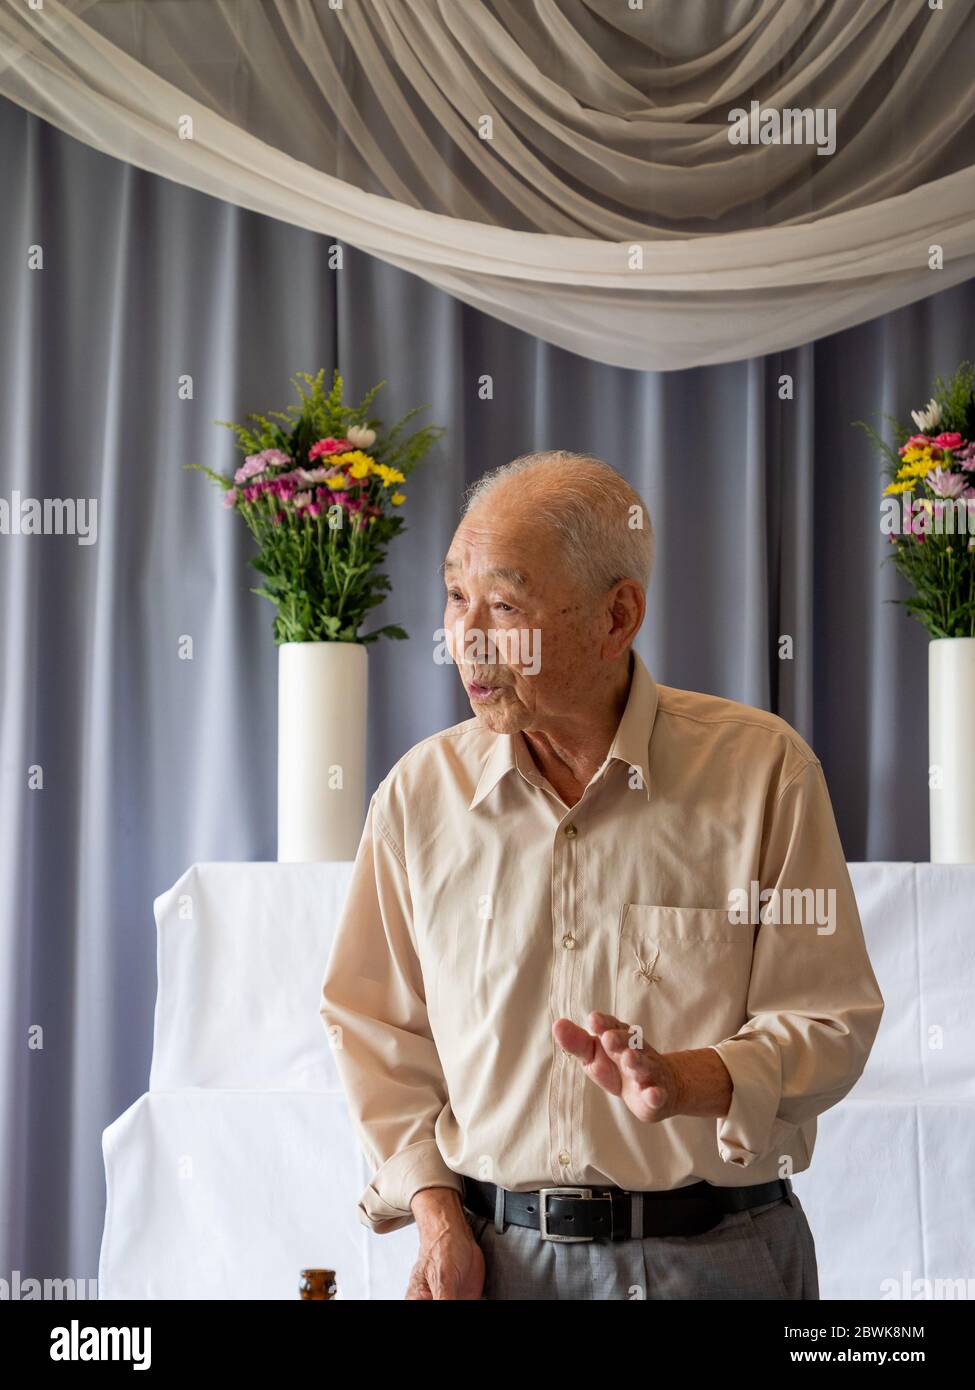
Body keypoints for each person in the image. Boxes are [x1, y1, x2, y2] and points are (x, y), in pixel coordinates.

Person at [319, 450, 885, 1300]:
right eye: (454, 593)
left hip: (718, 1260)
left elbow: (828, 1019)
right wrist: (436, 1211)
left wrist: (692, 1079)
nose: (461, 636)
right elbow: (375, 1030)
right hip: (498, 1262)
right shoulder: (418, 797)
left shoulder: (762, 772)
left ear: (616, 617)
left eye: (503, 604)